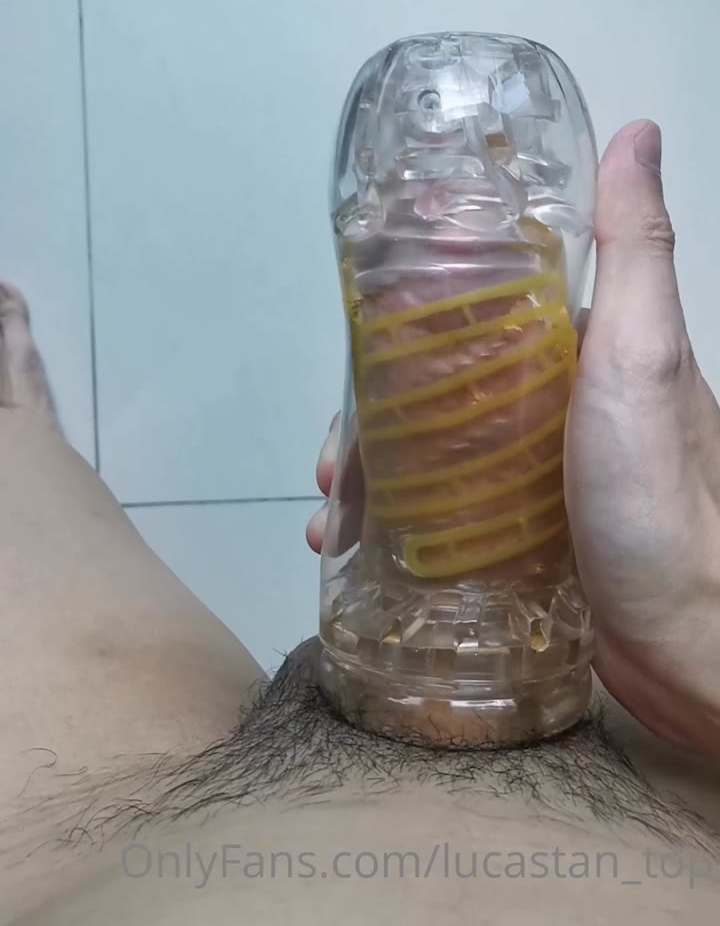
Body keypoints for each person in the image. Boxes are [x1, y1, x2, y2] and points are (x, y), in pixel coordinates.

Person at [2, 120, 720, 925]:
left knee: (36, 533)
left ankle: (19, 439)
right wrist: (702, 624)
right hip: (636, 790)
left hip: (142, 857)